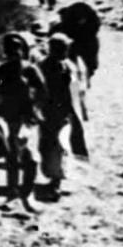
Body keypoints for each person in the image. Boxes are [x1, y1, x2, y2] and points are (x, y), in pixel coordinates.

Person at [0, 33, 45, 208]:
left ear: (23, 50)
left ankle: (27, 193)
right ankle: (12, 193)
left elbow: (43, 92)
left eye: (17, 47)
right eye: (10, 48)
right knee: (12, 157)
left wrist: (36, 110)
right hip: (7, 119)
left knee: (31, 157)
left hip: (27, 119)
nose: (14, 52)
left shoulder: (30, 70)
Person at [36, 33, 86, 201]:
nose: (66, 51)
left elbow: (74, 91)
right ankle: (52, 177)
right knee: (47, 145)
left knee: (58, 146)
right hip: (50, 112)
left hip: (59, 114)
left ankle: (55, 182)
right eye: (64, 48)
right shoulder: (47, 66)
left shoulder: (65, 66)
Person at [52, 2, 101, 85]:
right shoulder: (66, 22)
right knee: (73, 67)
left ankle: (84, 80)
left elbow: (95, 27)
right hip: (75, 44)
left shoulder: (89, 18)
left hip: (87, 43)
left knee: (88, 65)